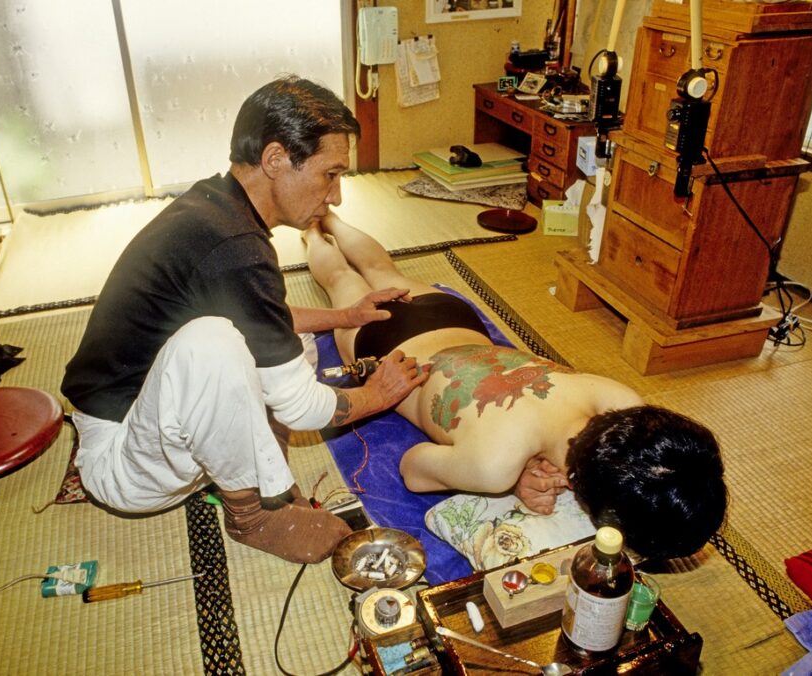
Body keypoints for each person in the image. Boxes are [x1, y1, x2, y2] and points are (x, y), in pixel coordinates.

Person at [61, 76, 428, 565]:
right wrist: (376, 394)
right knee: (214, 346)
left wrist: (347, 314)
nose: (336, 196)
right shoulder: (233, 249)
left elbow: (261, 316)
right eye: (330, 174)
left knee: (289, 346)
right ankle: (252, 514)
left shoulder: (217, 207)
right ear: (276, 159)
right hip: (123, 464)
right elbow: (302, 410)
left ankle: (257, 470)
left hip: (148, 412)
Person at [304, 214, 728, 560]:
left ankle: (326, 218)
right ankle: (310, 231)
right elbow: (412, 469)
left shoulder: (621, 400)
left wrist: (526, 462)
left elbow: (541, 415)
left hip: (454, 318)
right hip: (389, 349)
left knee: (382, 270)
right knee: (340, 280)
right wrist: (509, 479)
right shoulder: (494, 466)